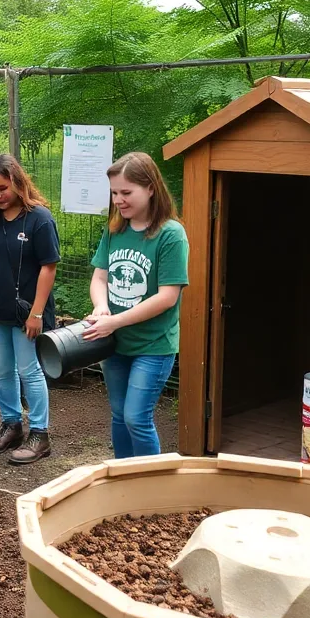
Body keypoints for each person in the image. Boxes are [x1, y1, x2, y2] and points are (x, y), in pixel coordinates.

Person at [83, 152, 189, 459]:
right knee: (119, 414)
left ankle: (150, 487)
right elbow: (99, 278)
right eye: (115, 192)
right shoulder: (116, 228)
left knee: (136, 417)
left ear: (151, 188)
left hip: (152, 346)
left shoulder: (170, 235)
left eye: (126, 192)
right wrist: (102, 307)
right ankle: (122, 479)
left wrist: (113, 321)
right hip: (114, 342)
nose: (118, 199)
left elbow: (167, 296)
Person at [0, 154, 60, 464]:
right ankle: (12, 425)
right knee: (3, 370)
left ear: (19, 184)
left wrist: (37, 313)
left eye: (3, 188)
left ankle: (40, 434)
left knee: (29, 370)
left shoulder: (40, 218)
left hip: (27, 314)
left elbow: (49, 268)